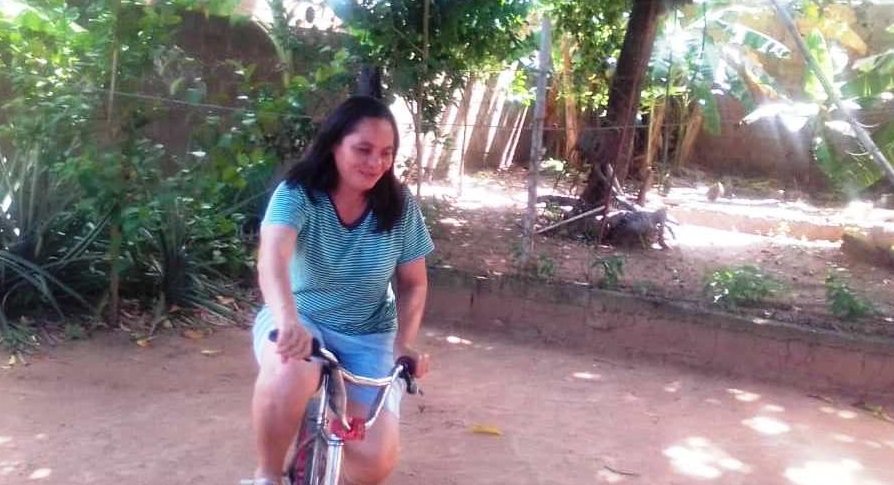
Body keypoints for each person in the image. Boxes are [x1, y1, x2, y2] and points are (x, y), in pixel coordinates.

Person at [248, 95, 434, 485]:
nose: (375, 163)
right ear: (334, 144)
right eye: (363, 150)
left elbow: (414, 283)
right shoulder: (298, 193)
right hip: (302, 317)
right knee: (289, 369)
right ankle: (267, 476)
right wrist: (288, 321)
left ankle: (316, 461)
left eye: (386, 153)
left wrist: (403, 342)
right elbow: (272, 259)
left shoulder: (400, 206)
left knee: (375, 460)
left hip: (370, 332)